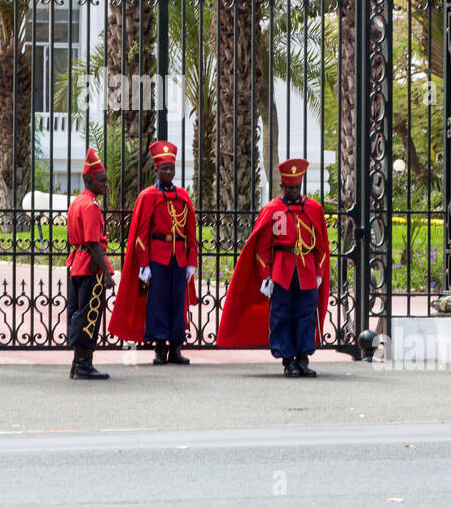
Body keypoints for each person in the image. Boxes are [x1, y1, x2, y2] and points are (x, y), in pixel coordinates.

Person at [216, 158, 330, 377]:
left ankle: (303, 358)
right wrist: (265, 276)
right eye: (290, 187)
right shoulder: (273, 209)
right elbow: (262, 248)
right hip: (282, 269)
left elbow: (322, 247)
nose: (294, 191)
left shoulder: (314, 209)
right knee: (282, 315)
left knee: (306, 314)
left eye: (297, 187)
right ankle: (288, 359)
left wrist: (319, 272)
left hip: (306, 269)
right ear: (282, 186)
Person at [107, 140, 199, 364]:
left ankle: (176, 348)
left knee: (178, 302)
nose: (169, 172)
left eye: (171, 169)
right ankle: (160, 349)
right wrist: (144, 264)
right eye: (164, 169)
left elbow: (191, 232)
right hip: (157, 256)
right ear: (156, 170)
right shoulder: (148, 196)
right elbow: (140, 234)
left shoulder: (183, 197)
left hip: (178, 257)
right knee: (157, 302)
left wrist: (191, 262)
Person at [65, 147, 116, 380]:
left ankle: (77, 363)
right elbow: (94, 242)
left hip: (77, 263)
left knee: (78, 312)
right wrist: (106, 273)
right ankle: (85, 364)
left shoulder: (77, 202)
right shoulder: (91, 206)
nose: (105, 184)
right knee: (90, 314)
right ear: (89, 179)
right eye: (102, 180)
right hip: (90, 266)